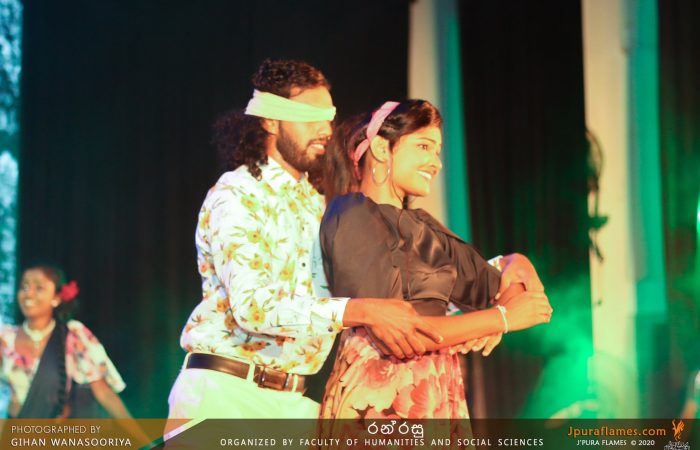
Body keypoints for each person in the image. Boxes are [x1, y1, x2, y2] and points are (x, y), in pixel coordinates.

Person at [167, 59, 447, 421]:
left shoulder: (317, 207)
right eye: (310, 116)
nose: (325, 129)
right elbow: (254, 306)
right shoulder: (236, 194)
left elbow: (387, 289)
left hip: (292, 401)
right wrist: (362, 310)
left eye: (328, 117)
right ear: (270, 121)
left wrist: (496, 281)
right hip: (226, 394)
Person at [318, 100, 553, 419]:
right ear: (382, 148)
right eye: (424, 146)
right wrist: (501, 319)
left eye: (437, 151)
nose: (436, 163)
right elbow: (403, 336)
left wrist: (516, 264)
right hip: (380, 400)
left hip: (433, 389)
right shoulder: (352, 213)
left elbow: (498, 286)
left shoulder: (423, 226)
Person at [0, 265, 137, 419]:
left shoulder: (74, 336)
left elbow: (104, 393)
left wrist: (140, 434)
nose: (28, 293)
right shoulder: (5, 338)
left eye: (39, 288)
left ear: (56, 298)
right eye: (24, 287)